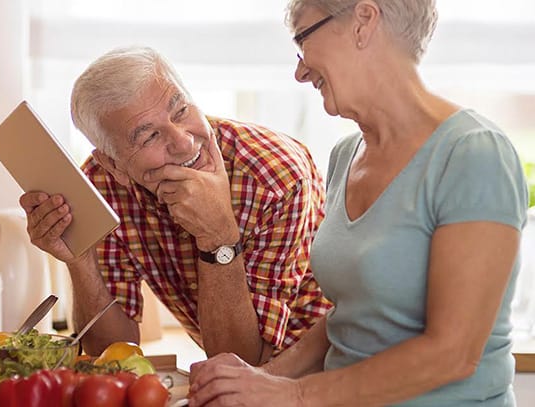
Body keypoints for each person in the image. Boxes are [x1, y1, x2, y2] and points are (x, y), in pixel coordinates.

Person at [188, 0, 530, 405]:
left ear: (363, 22)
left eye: (302, 39)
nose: (299, 72)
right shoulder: (345, 155)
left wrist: (294, 395)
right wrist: (262, 378)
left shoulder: (473, 154)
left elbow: (452, 354)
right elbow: (352, 317)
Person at [19, 46, 331, 364]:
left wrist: (219, 236)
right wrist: (80, 260)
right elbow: (112, 354)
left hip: (331, 366)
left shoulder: (276, 177)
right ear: (113, 165)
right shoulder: (102, 185)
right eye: (149, 136)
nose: (183, 142)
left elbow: (244, 361)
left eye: (180, 110)